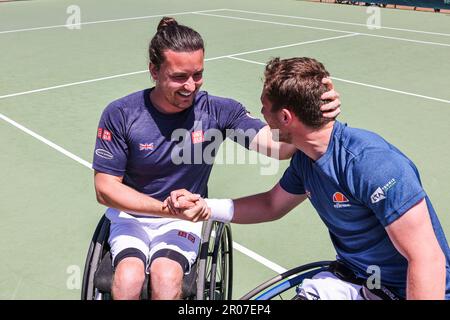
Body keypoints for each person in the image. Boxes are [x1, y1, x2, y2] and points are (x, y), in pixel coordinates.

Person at [92, 18, 341, 300]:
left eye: (197, 75)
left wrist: (316, 117)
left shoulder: (218, 111)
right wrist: (165, 208)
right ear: (154, 70)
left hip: (183, 220)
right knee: (127, 278)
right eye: (178, 77)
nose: (190, 85)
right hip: (132, 217)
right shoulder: (121, 114)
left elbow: (279, 148)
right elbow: (105, 188)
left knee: (166, 276)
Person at [166, 57, 450, 300]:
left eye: (265, 108)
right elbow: (270, 205)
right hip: (356, 281)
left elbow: (427, 259)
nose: (263, 115)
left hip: (404, 290)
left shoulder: (372, 164)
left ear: (286, 117)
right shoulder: (306, 159)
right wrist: (205, 207)